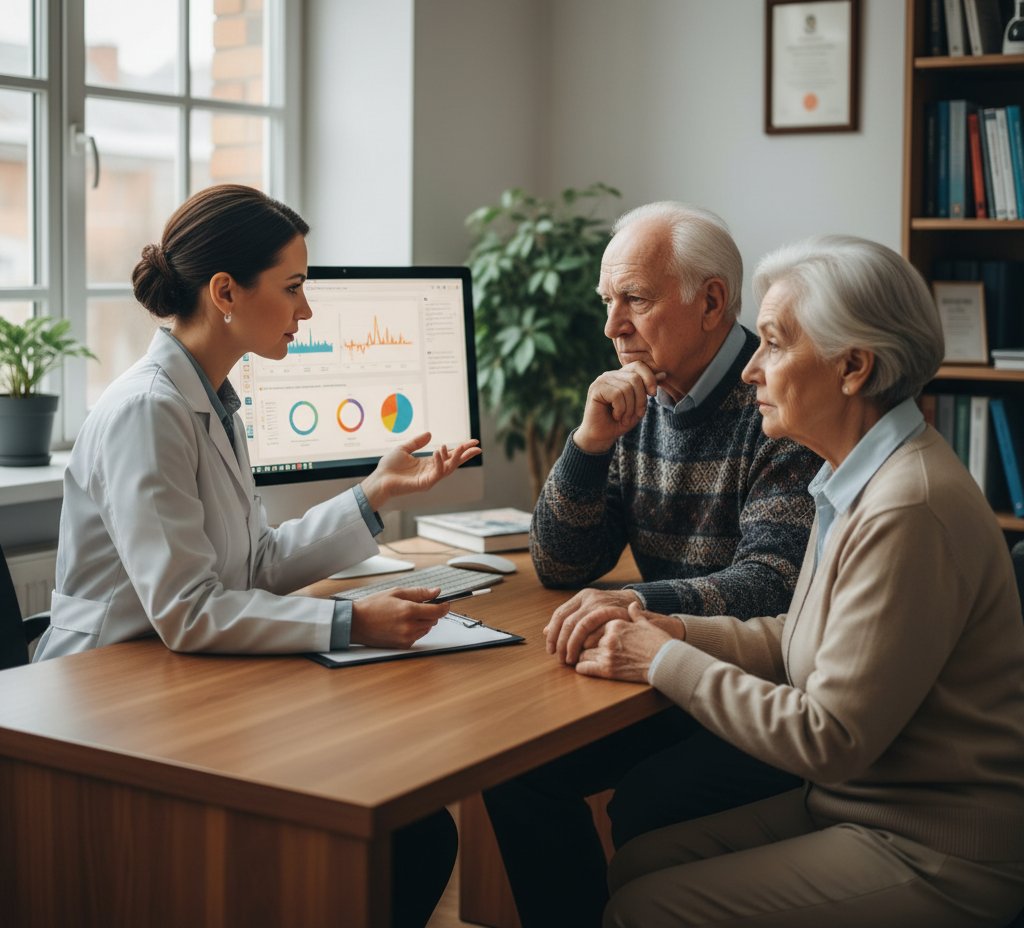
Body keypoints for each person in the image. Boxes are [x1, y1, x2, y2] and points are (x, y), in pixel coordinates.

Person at [33, 184, 478, 927]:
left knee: (413, 827)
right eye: (295, 287)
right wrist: (350, 623)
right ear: (224, 292)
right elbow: (188, 610)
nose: (307, 311)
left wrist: (374, 495)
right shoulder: (151, 409)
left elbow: (255, 563)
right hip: (111, 703)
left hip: (181, 682)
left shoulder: (211, 396)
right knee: (408, 837)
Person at [576, 236, 1024, 928]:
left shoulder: (909, 505)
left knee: (643, 907)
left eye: (776, 344)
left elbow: (828, 735)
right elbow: (802, 636)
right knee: (635, 862)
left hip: (933, 850)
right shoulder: (853, 474)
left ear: (853, 367)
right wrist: (677, 628)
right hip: (852, 807)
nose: (751, 368)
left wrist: (662, 660)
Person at [483, 202, 820, 927]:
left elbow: (773, 583)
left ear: (712, 303)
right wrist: (588, 443)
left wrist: (636, 603)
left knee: (651, 799)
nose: (612, 328)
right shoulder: (641, 395)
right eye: (608, 302)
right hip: (665, 672)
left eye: (634, 299)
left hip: (758, 688)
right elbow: (561, 563)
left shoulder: (779, 401)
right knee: (515, 778)